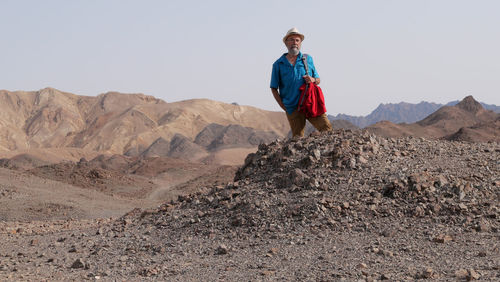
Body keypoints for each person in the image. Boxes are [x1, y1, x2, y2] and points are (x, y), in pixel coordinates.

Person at [270, 27, 333, 138]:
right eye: (292, 40)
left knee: (327, 130)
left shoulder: (307, 59)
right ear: (286, 43)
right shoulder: (278, 64)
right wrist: (284, 107)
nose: (295, 43)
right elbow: (274, 88)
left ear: (300, 43)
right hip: (292, 107)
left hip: (310, 103)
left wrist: (313, 80)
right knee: (297, 138)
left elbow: (318, 79)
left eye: (297, 40)